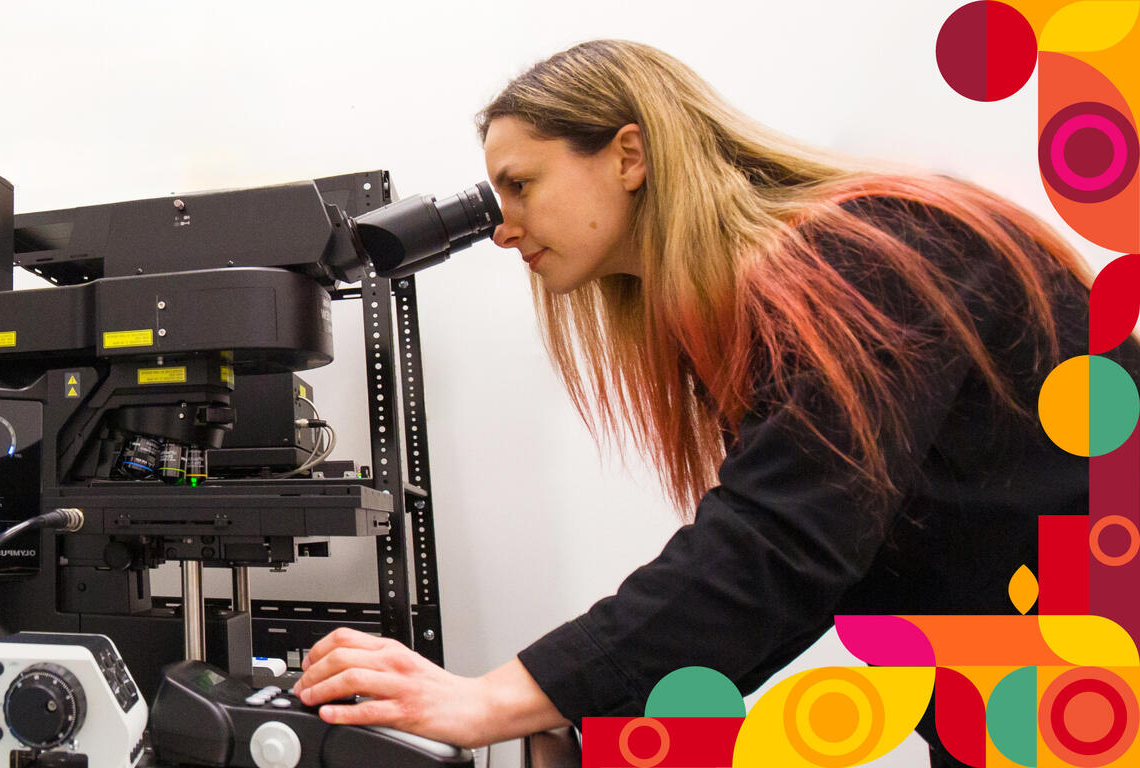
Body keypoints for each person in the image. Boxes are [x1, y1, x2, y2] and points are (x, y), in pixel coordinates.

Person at [288, 39, 1140, 762]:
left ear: (629, 155)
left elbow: (773, 547)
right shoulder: (768, 307)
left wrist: (498, 699)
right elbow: (795, 583)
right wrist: (588, 718)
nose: (503, 226)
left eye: (519, 185)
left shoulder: (866, 257)